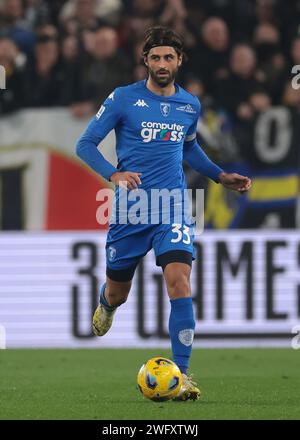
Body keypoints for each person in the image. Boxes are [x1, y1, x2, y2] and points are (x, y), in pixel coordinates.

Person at [76, 26, 252, 401]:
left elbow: (189, 149)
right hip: (131, 209)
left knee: (180, 283)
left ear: (179, 61)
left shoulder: (189, 105)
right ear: (145, 61)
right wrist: (114, 173)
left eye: (168, 57)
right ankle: (107, 302)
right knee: (119, 291)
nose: (161, 63)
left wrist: (219, 175)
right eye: (155, 57)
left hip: (172, 207)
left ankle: (183, 375)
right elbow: (85, 143)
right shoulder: (124, 98)